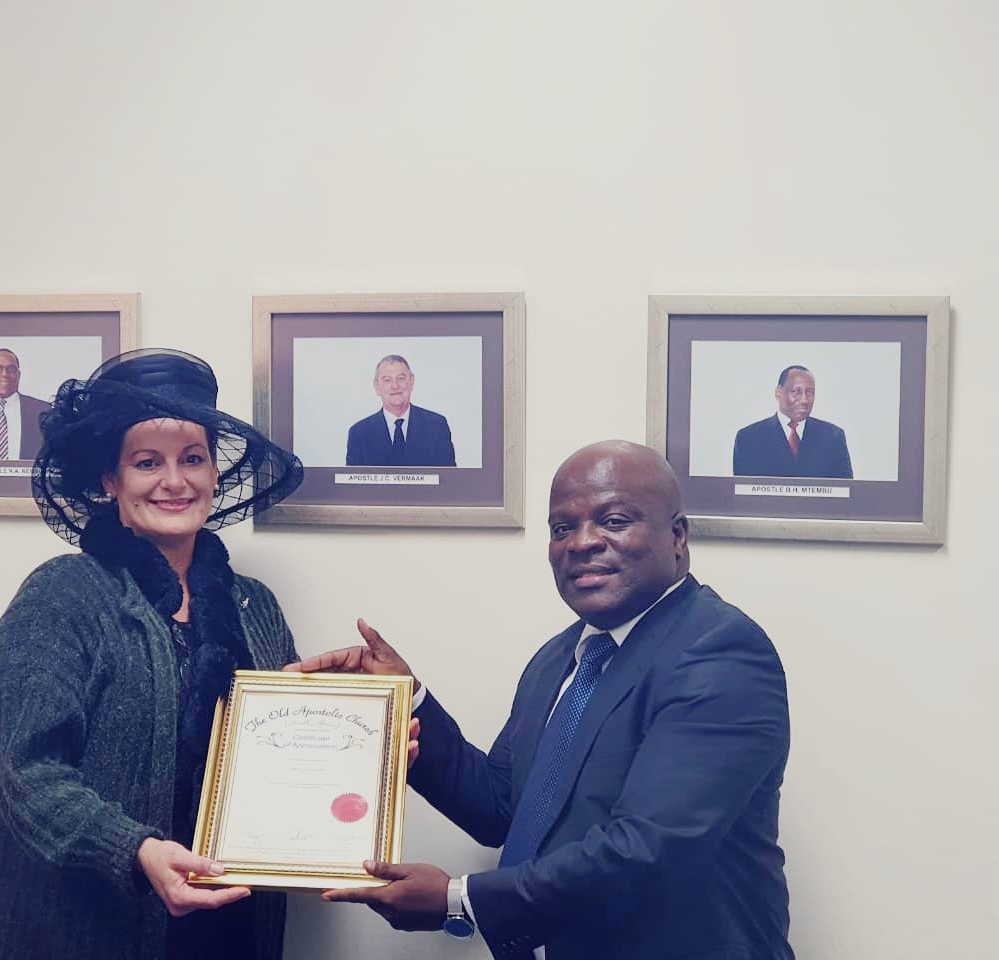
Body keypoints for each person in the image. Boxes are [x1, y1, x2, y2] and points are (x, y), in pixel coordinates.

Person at [291, 440, 793, 959]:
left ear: (678, 536)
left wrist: (458, 900)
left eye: (614, 521)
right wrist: (405, 701)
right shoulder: (562, 658)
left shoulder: (720, 651)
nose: (583, 542)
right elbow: (501, 807)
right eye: (562, 528)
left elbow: (647, 850)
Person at [0, 348, 305, 960]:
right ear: (111, 480)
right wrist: (135, 850)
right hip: (95, 932)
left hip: (232, 928)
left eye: (192, 458)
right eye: (148, 462)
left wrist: (360, 742)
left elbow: (284, 761)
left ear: (214, 472)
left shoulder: (255, 605)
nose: (174, 481)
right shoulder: (63, 595)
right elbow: (28, 774)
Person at [732, 364, 853, 479]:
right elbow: (744, 490)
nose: (804, 400)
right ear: (778, 392)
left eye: (810, 393)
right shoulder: (749, 438)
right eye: (796, 392)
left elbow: (845, 490)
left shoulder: (833, 437)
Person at [345, 354, 456, 467]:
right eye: (387, 380)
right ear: (377, 386)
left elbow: (449, 476)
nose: (395, 386)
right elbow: (353, 479)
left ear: (411, 382)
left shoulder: (436, 426)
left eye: (401, 378)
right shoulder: (359, 434)